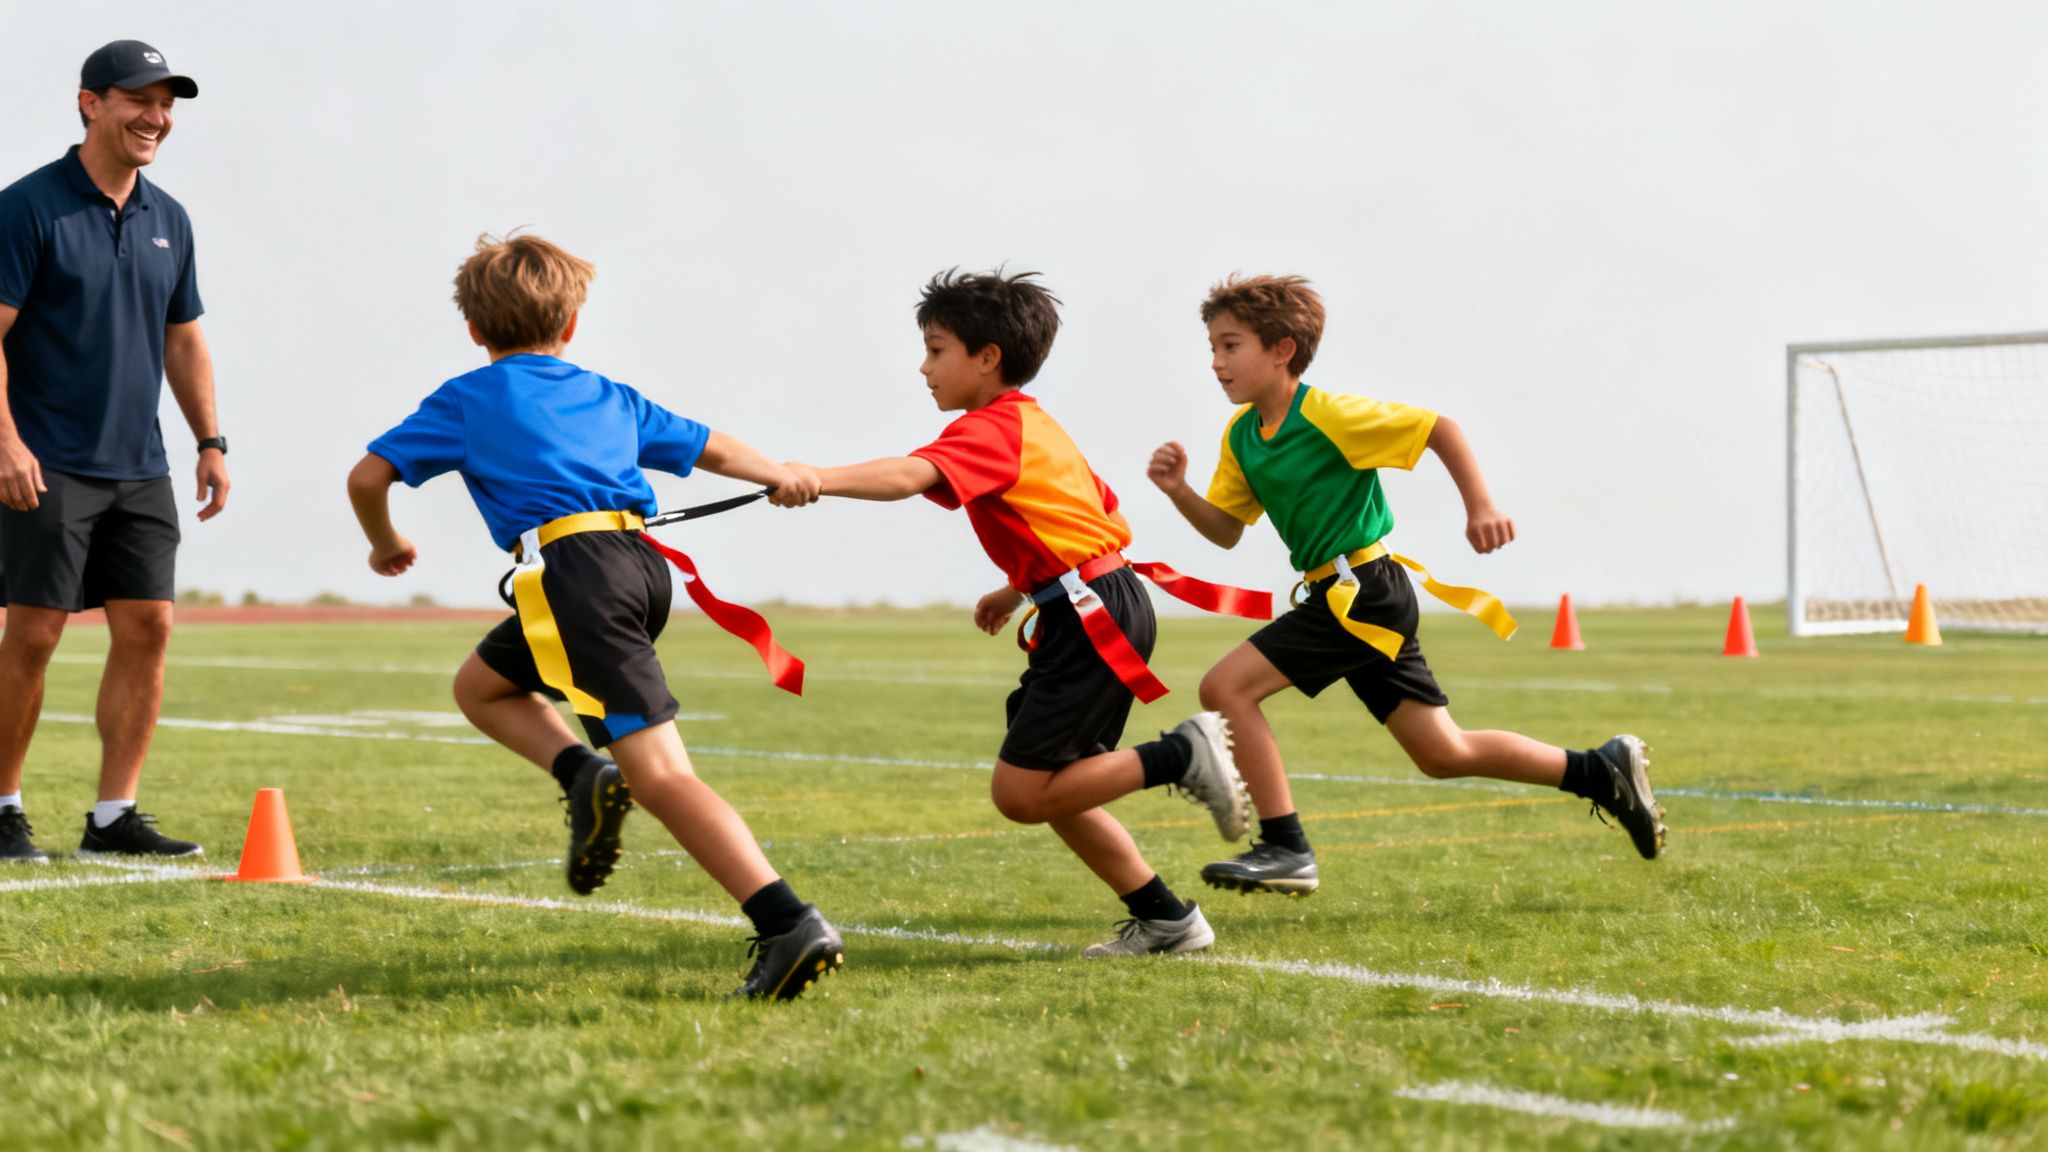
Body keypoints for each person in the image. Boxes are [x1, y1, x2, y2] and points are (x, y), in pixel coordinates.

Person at [347, 233, 841, 1000]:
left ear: (474, 329)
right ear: (572, 324)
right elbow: (714, 448)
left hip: (575, 581)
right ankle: (584, 775)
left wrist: (385, 544)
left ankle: (787, 922)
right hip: (640, 572)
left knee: (664, 774)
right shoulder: (608, 392)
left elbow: (367, 475)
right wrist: (783, 474)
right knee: (482, 688)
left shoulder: (467, 399)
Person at [1148, 274, 1665, 896]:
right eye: (1212, 347)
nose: (1216, 362)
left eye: (1231, 346)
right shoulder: (1241, 437)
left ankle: (1286, 847)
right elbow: (1226, 529)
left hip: (1363, 590)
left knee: (1225, 686)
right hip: (1344, 596)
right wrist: (1179, 492)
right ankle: (1600, 770)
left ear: (1282, 349)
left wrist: (1480, 506)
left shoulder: (1329, 414)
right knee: (1443, 754)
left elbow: (1439, 427)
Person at [784, 268, 1247, 957]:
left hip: (1092, 614)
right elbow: (1100, 515)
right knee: (1058, 785)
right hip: (1099, 601)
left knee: (1022, 794)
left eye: (936, 350)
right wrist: (1024, 583)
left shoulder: (994, 427)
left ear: (987, 355)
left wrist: (815, 478)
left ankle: (1181, 754)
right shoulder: (1036, 424)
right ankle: (1166, 919)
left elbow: (911, 476)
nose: (924, 367)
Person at [0, 40, 226, 864]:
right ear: (90, 103)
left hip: (140, 465)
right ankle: (2, 807)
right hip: (45, 460)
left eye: (167, 104)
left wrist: (210, 440)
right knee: (33, 634)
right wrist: (6, 443)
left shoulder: (171, 218)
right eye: (139, 100)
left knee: (150, 627)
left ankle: (113, 817)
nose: (156, 118)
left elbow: (185, 338)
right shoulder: (26, 209)